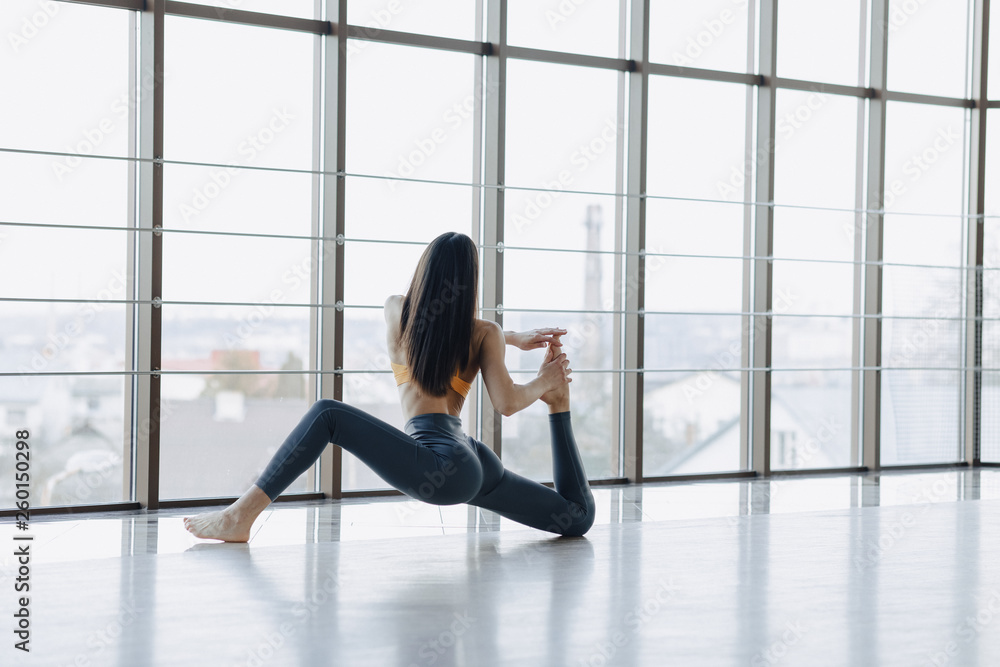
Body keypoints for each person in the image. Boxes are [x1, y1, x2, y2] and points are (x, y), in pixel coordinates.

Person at [184, 231, 596, 541]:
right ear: (471, 282)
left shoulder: (396, 311)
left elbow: (443, 329)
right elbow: (507, 401)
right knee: (575, 517)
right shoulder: (484, 334)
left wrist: (512, 340)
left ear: (424, 271)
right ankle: (560, 407)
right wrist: (541, 379)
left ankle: (240, 517)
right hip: (471, 459)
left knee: (329, 414)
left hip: (439, 462)